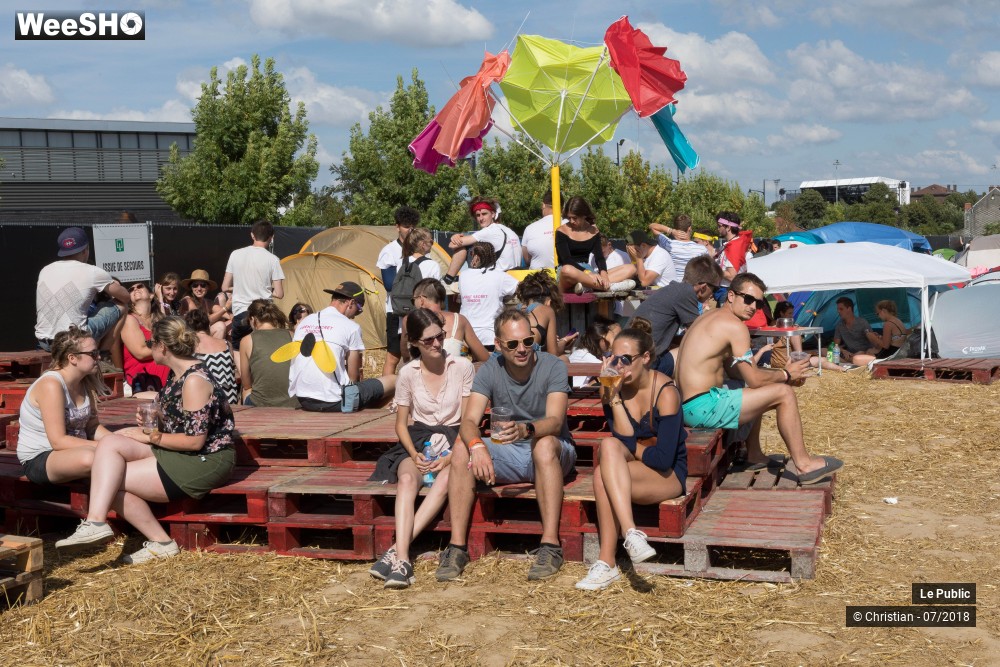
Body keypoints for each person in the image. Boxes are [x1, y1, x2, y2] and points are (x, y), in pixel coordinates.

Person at [54, 316, 236, 564]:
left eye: (151, 343)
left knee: (108, 480)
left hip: (203, 460)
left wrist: (153, 436)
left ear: (162, 347)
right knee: (110, 445)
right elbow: (180, 421)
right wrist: (156, 419)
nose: (148, 348)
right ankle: (96, 522)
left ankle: (161, 543)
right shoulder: (178, 375)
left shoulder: (193, 381)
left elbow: (194, 441)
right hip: (179, 452)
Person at [435, 309, 577, 582]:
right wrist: (477, 446)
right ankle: (456, 547)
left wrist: (526, 428)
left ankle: (550, 545)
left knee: (544, 444)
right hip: (510, 448)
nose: (522, 349)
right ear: (498, 345)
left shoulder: (553, 365)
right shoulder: (490, 369)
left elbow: (556, 422)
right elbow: (468, 421)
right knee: (463, 447)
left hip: (552, 447)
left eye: (528, 341)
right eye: (512, 344)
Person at [675, 273, 843, 484]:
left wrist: (782, 376)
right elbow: (755, 379)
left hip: (688, 404)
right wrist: (786, 376)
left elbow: (741, 374)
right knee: (784, 394)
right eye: (748, 299)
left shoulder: (710, 318)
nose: (753, 306)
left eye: (759, 302)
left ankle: (753, 453)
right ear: (730, 296)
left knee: (757, 386)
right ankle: (804, 464)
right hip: (701, 407)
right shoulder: (734, 326)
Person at [369, 309, 475, 589]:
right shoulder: (407, 373)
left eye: (439, 336)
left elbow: (468, 421)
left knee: (444, 480)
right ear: (414, 342)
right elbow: (401, 425)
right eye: (428, 340)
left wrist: (451, 455)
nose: (437, 344)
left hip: (456, 438)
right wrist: (414, 453)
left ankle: (394, 553)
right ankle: (403, 558)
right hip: (418, 438)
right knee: (406, 478)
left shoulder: (462, 366)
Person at [575, 325, 687, 590]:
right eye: (613, 358)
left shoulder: (666, 392)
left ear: (646, 358)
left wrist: (632, 446)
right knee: (608, 448)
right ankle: (629, 535)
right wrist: (612, 398)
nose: (618, 365)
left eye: (626, 359)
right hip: (632, 469)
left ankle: (608, 561)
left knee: (605, 472)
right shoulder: (612, 387)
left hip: (667, 474)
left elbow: (662, 459)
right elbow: (618, 439)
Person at [17, 327, 112, 486]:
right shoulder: (51, 384)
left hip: (75, 452)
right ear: (72, 358)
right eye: (93, 354)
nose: (99, 357)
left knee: (123, 443)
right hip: (42, 457)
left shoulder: (84, 382)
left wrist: (117, 440)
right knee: (94, 457)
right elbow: (58, 441)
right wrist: (108, 446)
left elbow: (92, 428)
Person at [288, 281, 396, 412]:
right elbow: (353, 376)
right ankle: (368, 411)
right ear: (351, 303)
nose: (356, 315)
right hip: (334, 401)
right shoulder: (351, 327)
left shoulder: (305, 321)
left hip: (304, 399)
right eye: (359, 309)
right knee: (396, 380)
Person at [35, 226, 129, 354]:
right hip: (73, 340)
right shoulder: (93, 271)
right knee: (122, 306)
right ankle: (102, 355)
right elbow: (125, 297)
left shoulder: (45, 270)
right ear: (86, 250)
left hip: (44, 342)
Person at [629, 255, 722, 376]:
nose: (714, 295)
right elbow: (700, 333)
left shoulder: (674, 289)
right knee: (706, 352)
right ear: (703, 287)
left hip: (633, 361)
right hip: (647, 365)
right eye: (715, 289)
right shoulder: (686, 293)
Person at [220, 219, 285, 354]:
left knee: (238, 350)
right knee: (263, 353)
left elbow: (225, 287)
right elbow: (279, 293)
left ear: (252, 235)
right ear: (271, 237)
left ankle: (244, 376)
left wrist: (240, 286)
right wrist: (264, 288)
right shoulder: (273, 259)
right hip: (264, 314)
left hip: (241, 313)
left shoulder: (235, 254)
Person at [557, 196, 636, 294]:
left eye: (575, 218)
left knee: (631, 268)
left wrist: (604, 275)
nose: (571, 221)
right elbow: (566, 260)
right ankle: (608, 286)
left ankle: (588, 286)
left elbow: (599, 258)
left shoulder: (593, 231)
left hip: (588, 272)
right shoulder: (561, 231)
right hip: (570, 272)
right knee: (567, 270)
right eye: (569, 218)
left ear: (584, 215)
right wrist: (588, 273)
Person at [401, 279, 490, 363]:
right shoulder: (459, 319)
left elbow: (405, 355)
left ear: (421, 300)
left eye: (413, 300)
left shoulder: (408, 320)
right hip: (454, 377)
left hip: (420, 376)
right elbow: (484, 358)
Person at [377, 206, 419, 376]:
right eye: (406, 226)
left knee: (420, 355)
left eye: (412, 226)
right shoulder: (389, 251)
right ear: (397, 227)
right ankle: (386, 397)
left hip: (418, 311)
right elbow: (389, 284)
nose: (410, 230)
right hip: (395, 311)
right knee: (393, 357)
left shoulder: (421, 249)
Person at [443, 197, 522, 283]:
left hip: (498, 278)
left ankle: (448, 279)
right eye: (478, 215)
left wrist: (455, 237)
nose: (481, 218)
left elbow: (452, 245)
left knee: (463, 248)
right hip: (515, 276)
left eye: (484, 214)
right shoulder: (509, 231)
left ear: (493, 214)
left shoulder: (489, 231)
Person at [457, 242, 518, 351]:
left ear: (474, 256)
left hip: (466, 337)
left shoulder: (463, 276)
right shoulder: (500, 276)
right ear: (492, 257)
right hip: (490, 337)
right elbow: (520, 288)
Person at [240, 299, 299, 407]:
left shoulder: (247, 340)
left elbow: (246, 383)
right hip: (293, 402)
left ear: (252, 319)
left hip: (261, 403)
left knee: (246, 391)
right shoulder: (291, 334)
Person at [768, 301, 846, 373]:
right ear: (781, 313)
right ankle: (843, 367)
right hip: (785, 361)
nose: (792, 316)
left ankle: (845, 364)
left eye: (792, 313)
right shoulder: (775, 325)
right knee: (821, 359)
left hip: (792, 357)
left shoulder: (790, 325)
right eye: (789, 313)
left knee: (824, 351)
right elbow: (771, 341)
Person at [121, 282, 171, 393]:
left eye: (140, 287)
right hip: (142, 379)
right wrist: (170, 346)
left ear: (151, 295)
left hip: (162, 374)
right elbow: (141, 352)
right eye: (131, 289)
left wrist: (161, 299)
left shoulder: (157, 319)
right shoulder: (129, 319)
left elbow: (168, 329)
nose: (135, 289)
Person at [515, 270, 578, 356]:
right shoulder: (547, 311)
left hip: (502, 359)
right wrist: (564, 342)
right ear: (549, 302)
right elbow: (553, 355)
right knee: (564, 359)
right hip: (523, 361)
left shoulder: (515, 309)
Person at [184, 309, 239, 405]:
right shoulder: (226, 344)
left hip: (206, 405)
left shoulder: (189, 348)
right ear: (208, 326)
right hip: (230, 401)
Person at [649, 214, 710, 282]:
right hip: (693, 288)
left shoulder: (669, 245)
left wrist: (671, 231)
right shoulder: (701, 249)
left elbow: (652, 226)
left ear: (675, 228)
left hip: (674, 287)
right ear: (689, 228)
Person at [567, 316, 621, 388]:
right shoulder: (584, 355)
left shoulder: (586, 351)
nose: (610, 345)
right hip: (575, 393)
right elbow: (610, 369)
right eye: (608, 341)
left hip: (580, 390)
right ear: (601, 341)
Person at [854, 300, 908, 365]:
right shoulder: (898, 321)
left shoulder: (888, 324)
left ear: (883, 311)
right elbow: (893, 339)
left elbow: (885, 346)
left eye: (878, 313)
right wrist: (880, 337)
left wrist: (873, 338)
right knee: (869, 351)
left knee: (857, 358)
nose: (878, 316)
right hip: (899, 352)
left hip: (891, 354)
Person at [178, 270, 228, 339]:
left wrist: (233, 318)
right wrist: (225, 308)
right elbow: (200, 321)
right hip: (189, 337)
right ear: (191, 287)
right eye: (195, 285)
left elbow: (227, 314)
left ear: (207, 287)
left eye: (203, 285)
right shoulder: (187, 300)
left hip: (201, 335)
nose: (199, 288)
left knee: (231, 324)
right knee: (220, 326)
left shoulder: (207, 302)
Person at [521, 191, 561, 269]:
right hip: (564, 277)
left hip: (538, 278)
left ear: (543, 205)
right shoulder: (570, 225)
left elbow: (527, 259)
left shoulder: (530, 228)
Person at [714, 212, 754, 286]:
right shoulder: (732, 243)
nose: (718, 229)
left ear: (728, 228)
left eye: (719, 226)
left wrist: (713, 268)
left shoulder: (734, 247)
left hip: (727, 289)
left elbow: (732, 276)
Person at [832, 297, 871, 364]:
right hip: (849, 354)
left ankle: (847, 362)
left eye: (841, 309)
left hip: (863, 353)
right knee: (824, 351)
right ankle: (849, 362)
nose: (838, 311)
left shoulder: (862, 322)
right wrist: (843, 351)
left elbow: (873, 342)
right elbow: (835, 345)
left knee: (860, 354)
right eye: (838, 309)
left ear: (849, 309)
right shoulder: (839, 325)